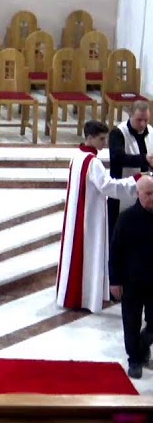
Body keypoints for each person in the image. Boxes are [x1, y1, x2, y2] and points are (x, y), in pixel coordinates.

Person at [56, 121, 144, 313]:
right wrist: (136, 181)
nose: (104, 143)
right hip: (90, 215)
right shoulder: (92, 162)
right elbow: (107, 187)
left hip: (77, 213)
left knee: (77, 253)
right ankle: (87, 298)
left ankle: (72, 295)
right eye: (101, 139)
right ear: (90, 137)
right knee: (90, 253)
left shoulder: (77, 156)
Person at [109, 177, 153, 378]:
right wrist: (114, 281)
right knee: (131, 323)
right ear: (138, 194)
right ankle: (135, 359)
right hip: (131, 281)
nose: (152, 198)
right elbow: (115, 251)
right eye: (148, 194)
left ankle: (141, 347)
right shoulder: (126, 218)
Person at [108, 101, 150, 250]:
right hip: (121, 192)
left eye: (146, 120)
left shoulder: (151, 132)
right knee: (118, 235)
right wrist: (143, 158)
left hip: (145, 194)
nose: (143, 124)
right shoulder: (118, 133)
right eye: (139, 120)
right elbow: (118, 157)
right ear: (130, 115)